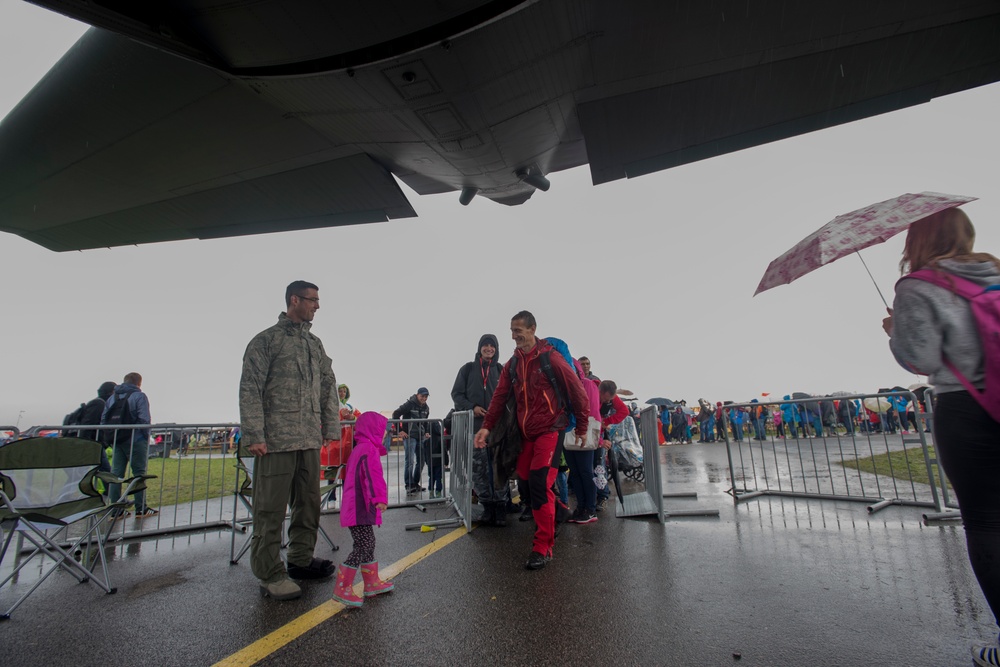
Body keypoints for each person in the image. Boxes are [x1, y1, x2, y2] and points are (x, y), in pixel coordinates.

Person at [881, 208, 1000, 666]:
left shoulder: (920, 285)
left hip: (968, 410)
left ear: (917, 242)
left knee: (988, 522)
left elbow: (922, 359)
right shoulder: (994, 272)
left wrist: (895, 332)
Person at [239, 280, 341, 601]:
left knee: (308, 504)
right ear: (294, 300)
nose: (317, 306)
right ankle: (269, 572)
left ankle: (299, 559)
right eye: (312, 300)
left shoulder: (314, 344)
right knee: (269, 510)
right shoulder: (266, 341)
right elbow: (250, 388)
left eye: (318, 300)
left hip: (309, 439)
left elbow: (328, 386)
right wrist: (254, 434)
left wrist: (330, 429)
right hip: (275, 442)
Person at [475, 311, 588, 570]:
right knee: (525, 482)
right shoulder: (513, 364)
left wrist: (581, 427)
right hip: (526, 435)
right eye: (512, 331)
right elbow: (499, 397)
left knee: (538, 484)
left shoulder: (551, 358)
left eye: (518, 330)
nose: (514, 336)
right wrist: (486, 427)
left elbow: (577, 390)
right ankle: (558, 511)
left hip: (550, 429)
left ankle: (543, 546)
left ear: (532, 329)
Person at [332, 411, 394, 607]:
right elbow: (373, 476)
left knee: (368, 542)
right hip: (360, 506)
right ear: (372, 430)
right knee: (363, 545)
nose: (384, 434)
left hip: (358, 506)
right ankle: (343, 586)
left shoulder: (361, 448)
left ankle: (371, 582)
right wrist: (380, 499)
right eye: (382, 430)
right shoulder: (369, 450)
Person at [451, 334, 508, 525]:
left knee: (499, 468)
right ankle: (487, 508)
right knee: (479, 470)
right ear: (480, 348)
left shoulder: (501, 370)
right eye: (485, 345)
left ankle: (500, 508)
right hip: (475, 428)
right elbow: (457, 394)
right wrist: (472, 407)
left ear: (496, 349)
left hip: (497, 429)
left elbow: (509, 396)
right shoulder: (467, 369)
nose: (489, 348)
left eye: (492, 346)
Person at [102, 372, 155, 516]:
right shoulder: (139, 396)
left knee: (116, 475)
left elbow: (104, 420)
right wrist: (145, 437)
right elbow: (144, 419)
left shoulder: (112, 398)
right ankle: (141, 508)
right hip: (136, 439)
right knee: (139, 474)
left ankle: (116, 510)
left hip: (118, 440)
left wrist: (111, 438)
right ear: (139, 383)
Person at [67, 380, 117, 472]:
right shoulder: (99, 404)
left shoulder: (102, 404)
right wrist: (85, 445)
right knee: (105, 471)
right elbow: (87, 425)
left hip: (93, 444)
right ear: (111, 392)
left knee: (80, 475)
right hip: (91, 445)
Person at [392, 387, 430, 495]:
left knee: (421, 461)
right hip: (410, 437)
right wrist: (400, 431)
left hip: (420, 437)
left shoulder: (426, 408)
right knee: (410, 461)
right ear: (417, 395)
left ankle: (415, 483)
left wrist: (426, 431)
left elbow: (426, 422)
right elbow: (396, 414)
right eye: (422, 396)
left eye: (426, 396)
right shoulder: (409, 404)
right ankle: (408, 485)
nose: (424, 398)